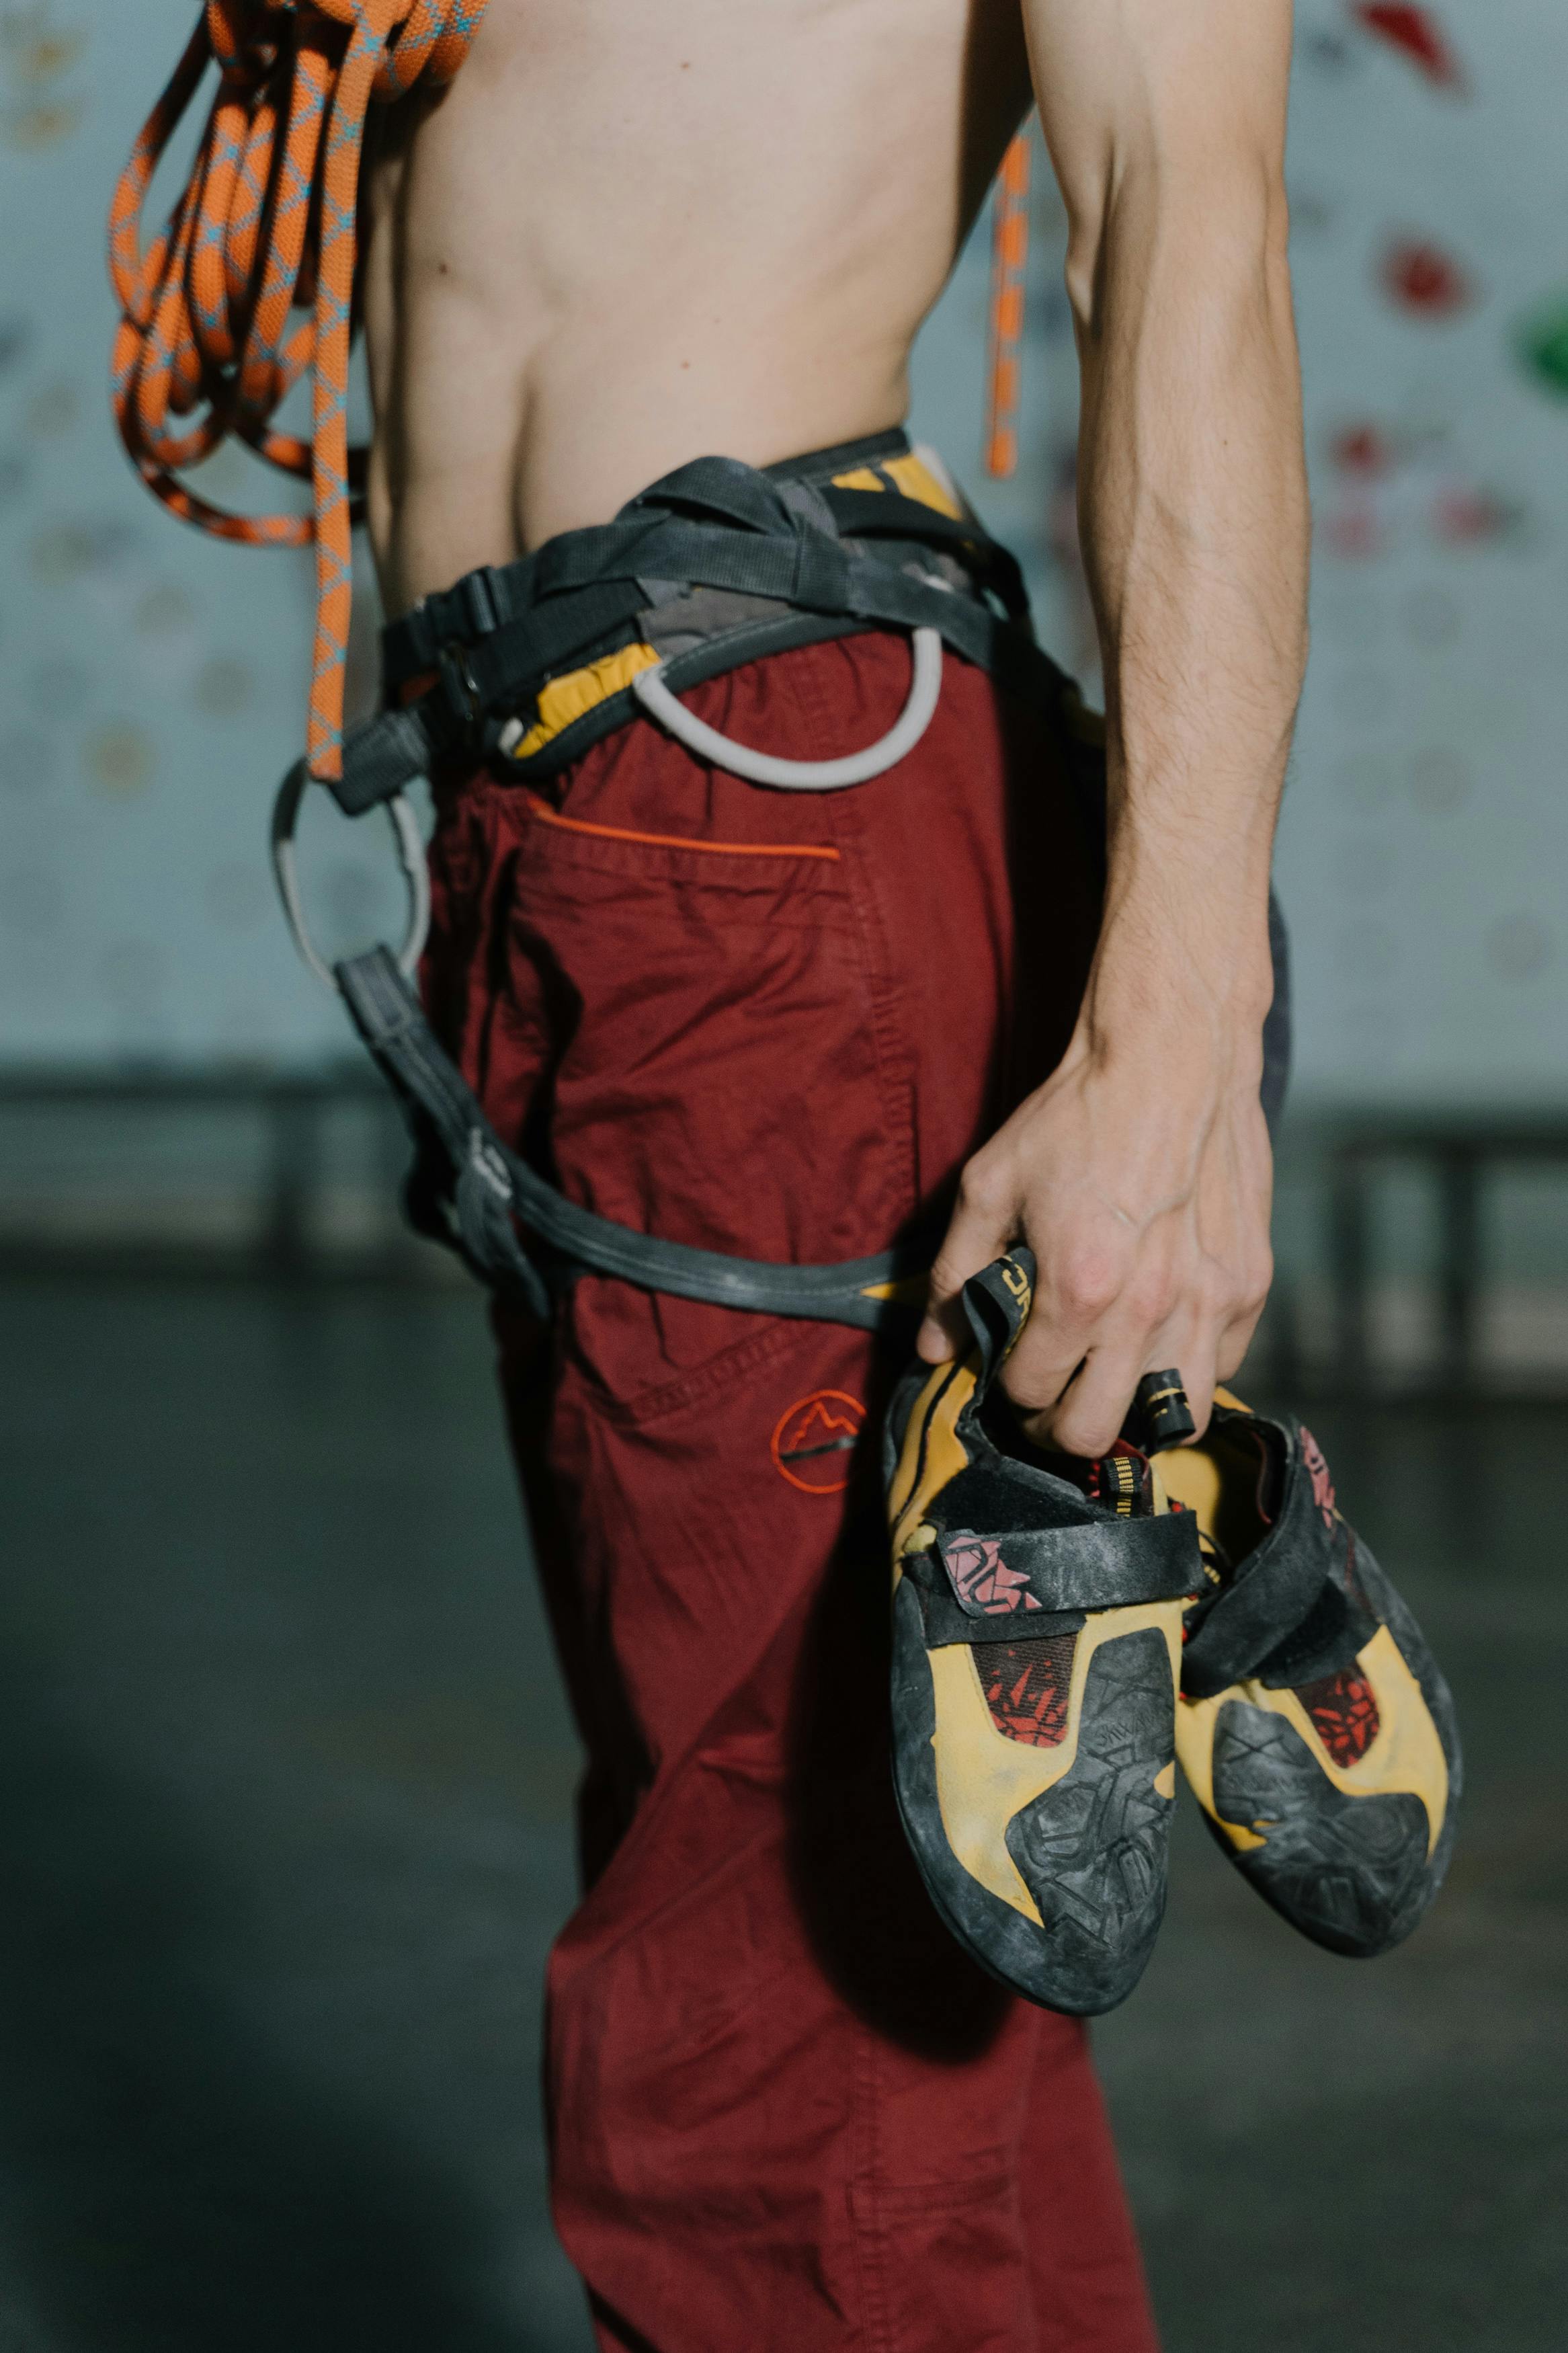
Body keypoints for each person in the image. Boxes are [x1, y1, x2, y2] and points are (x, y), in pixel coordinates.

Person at [358, 0, 1305, 2342]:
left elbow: (1189, 233)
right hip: (565, 808)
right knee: (870, 1892)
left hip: (764, 776)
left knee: (771, 1964)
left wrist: (1174, 1057)